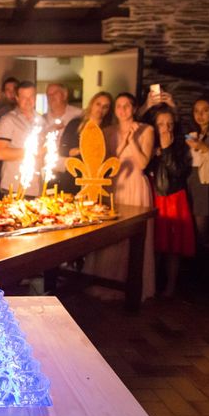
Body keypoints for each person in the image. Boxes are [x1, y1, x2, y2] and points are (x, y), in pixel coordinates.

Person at [84, 93, 156, 300]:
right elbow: (106, 162)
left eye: (127, 106)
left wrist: (131, 140)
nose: (123, 110)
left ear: (134, 108)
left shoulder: (146, 130)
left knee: (133, 235)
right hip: (115, 185)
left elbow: (142, 163)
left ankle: (131, 284)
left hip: (135, 184)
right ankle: (105, 279)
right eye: (119, 106)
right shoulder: (108, 131)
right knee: (111, 234)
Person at [146, 104, 195, 296]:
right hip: (155, 197)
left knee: (173, 247)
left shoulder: (181, 145)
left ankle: (170, 287)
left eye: (169, 123)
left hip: (174, 198)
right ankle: (153, 283)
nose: (166, 128)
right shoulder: (150, 144)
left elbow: (179, 172)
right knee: (155, 244)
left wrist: (167, 150)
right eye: (161, 124)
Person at [58, 91, 114, 194]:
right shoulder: (75, 124)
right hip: (73, 177)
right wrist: (78, 151)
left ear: (108, 110)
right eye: (98, 104)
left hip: (96, 179)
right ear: (92, 104)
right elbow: (62, 149)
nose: (100, 109)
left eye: (105, 107)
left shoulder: (108, 130)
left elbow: (110, 157)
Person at [0, 80, 43, 198]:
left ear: (35, 97)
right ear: (16, 98)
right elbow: (0, 153)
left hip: (36, 187)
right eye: (23, 97)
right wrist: (33, 152)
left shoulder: (42, 120)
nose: (28, 101)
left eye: (31, 96)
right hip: (14, 187)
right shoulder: (8, 120)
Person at [185, 97, 209, 249]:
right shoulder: (193, 133)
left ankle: (202, 259)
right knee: (192, 221)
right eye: (196, 111)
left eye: (205, 110)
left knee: (202, 221)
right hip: (192, 178)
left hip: (205, 181)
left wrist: (204, 148)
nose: (200, 115)